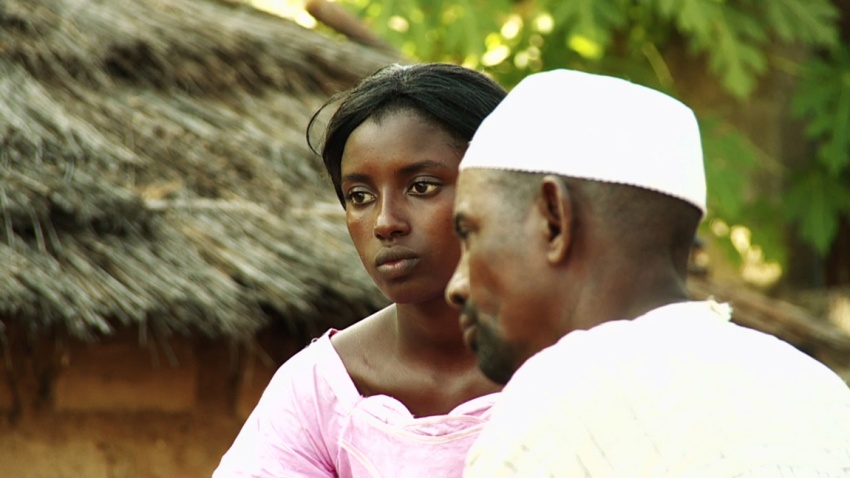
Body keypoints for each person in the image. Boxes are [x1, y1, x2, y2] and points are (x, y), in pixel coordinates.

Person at [445, 69, 850, 476]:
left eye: (468, 233)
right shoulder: (819, 391)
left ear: (553, 219)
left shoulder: (556, 405)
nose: (456, 286)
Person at [213, 63, 506, 477]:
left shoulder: (579, 365)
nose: (385, 222)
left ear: (501, 189)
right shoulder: (320, 392)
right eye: (360, 196)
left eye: (421, 186)